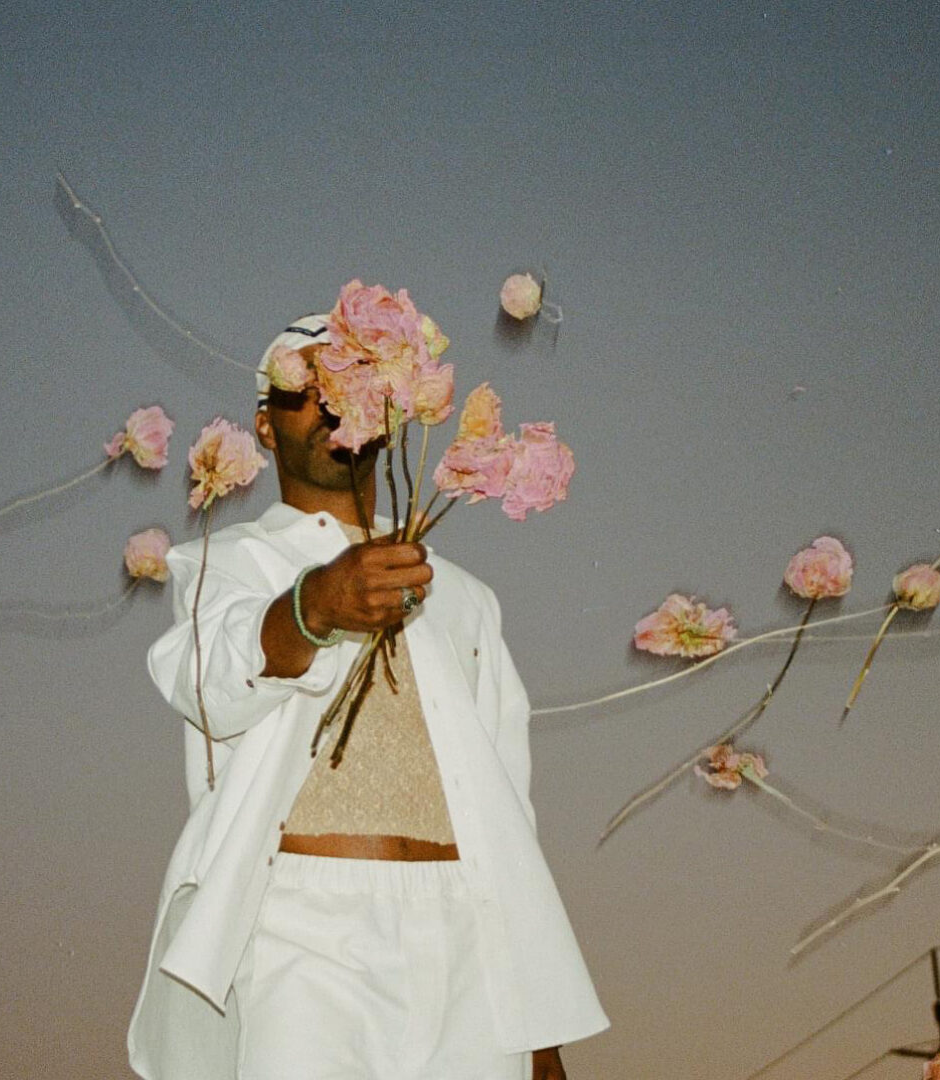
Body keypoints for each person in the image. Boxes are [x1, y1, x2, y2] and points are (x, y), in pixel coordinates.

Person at [128, 315, 608, 1080]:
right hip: (304, 930)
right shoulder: (227, 564)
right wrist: (313, 607)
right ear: (264, 420)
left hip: (467, 943)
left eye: (351, 388)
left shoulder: (463, 598)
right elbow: (204, 680)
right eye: (304, 391)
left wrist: (537, 1024)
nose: (328, 407)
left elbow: (507, 812)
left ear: (389, 417)